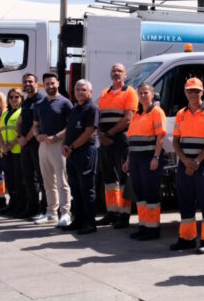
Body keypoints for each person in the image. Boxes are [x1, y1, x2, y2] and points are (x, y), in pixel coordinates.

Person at [171, 77, 204, 254]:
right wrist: (185, 161)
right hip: (185, 164)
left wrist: (197, 161)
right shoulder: (181, 114)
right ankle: (187, 239)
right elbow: (176, 141)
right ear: (185, 92)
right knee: (185, 202)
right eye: (190, 90)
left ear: (202, 92)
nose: (193, 93)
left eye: (196, 90)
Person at [122, 84, 166, 240]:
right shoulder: (136, 114)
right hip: (135, 159)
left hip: (149, 158)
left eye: (146, 93)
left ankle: (153, 230)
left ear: (152, 94)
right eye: (140, 93)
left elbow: (160, 137)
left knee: (150, 193)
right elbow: (132, 140)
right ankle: (143, 226)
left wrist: (156, 157)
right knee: (139, 193)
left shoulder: (157, 112)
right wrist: (128, 160)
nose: (142, 95)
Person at [97, 63, 137, 228]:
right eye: (113, 70)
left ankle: (123, 215)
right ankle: (112, 212)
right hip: (105, 140)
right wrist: (101, 135)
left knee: (123, 177)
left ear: (125, 74)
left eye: (119, 71)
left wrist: (108, 134)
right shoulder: (104, 93)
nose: (116, 73)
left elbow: (128, 118)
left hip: (120, 138)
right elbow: (98, 117)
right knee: (109, 178)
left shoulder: (130, 92)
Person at [32, 73, 73, 227]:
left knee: (62, 182)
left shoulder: (65, 103)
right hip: (43, 146)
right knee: (48, 182)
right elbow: (35, 125)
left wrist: (56, 137)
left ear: (58, 83)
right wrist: (37, 136)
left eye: (52, 83)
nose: (50, 86)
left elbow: (70, 126)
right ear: (43, 85)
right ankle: (51, 213)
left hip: (59, 145)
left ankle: (65, 214)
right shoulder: (40, 104)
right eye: (47, 83)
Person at [62, 79, 99, 235]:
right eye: (77, 89)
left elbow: (88, 132)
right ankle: (78, 220)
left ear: (90, 92)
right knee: (75, 189)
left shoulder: (92, 108)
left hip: (85, 153)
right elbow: (69, 129)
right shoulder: (75, 108)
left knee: (87, 189)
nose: (79, 92)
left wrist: (71, 147)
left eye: (83, 90)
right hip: (72, 154)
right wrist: (65, 145)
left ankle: (89, 223)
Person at [16, 74, 47, 219]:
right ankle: (32, 207)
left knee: (42, 178)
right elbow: (20, 121)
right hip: (25, 144)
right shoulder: (26, 101)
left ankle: (45, 208)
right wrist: (19, 136)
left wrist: (25, 139)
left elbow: (37, 124)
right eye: (25, 81)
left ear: (37, 83)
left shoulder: (40, 100)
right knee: (28, 177)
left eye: (30, 81)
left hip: (36, 143)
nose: (27, 84)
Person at [0, 89, 24, 216]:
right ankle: (12, 204)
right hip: (7, 151)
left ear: (21, 98)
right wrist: (3, 146)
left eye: (17, 97)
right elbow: (0, 131)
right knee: (9, 180)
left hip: (17, 151)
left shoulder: (22, 112)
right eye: (11, 97)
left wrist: (9, 146)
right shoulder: (5, 113)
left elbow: (21, 133)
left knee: (18, 181)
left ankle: (19, 206)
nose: (14, 99)